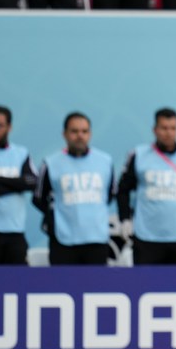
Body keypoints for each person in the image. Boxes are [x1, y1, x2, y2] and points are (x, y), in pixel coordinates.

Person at [117, 108, 176, 265]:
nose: (168, 133)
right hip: (146, 236)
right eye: (164, 128)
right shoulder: (138, 155)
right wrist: (125, 218)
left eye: (173, 128)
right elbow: (123, 189)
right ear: (155, 130)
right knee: (145, 279)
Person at [33, 112, 115, 265]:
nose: (80, 136)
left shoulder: (105, 161)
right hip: (63, 240)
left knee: (96, 281)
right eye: (74, 131)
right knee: (63, 281)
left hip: (97, 239)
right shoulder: (50, 163)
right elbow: (38, 198)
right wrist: (54, 220)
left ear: (90, 134)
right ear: (64, 134)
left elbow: (109, 195)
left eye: (84, 131)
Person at [0, 106, 37, 265]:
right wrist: (16, 184)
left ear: (9, 127)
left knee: (17, 278)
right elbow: (22, 183)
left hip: (14, 233)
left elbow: (32, 182)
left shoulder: (20, 153)